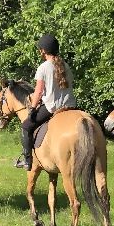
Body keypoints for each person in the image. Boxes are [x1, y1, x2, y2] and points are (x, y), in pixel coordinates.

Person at [17, 33, 77, 170]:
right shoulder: (65, 66)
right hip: (71, 106)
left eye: (40, 49)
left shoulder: (43, 67)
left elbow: (38, 92)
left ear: (43, 50)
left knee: (26, 126)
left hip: (52, 108)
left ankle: (27, 161)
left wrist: (32, 109)